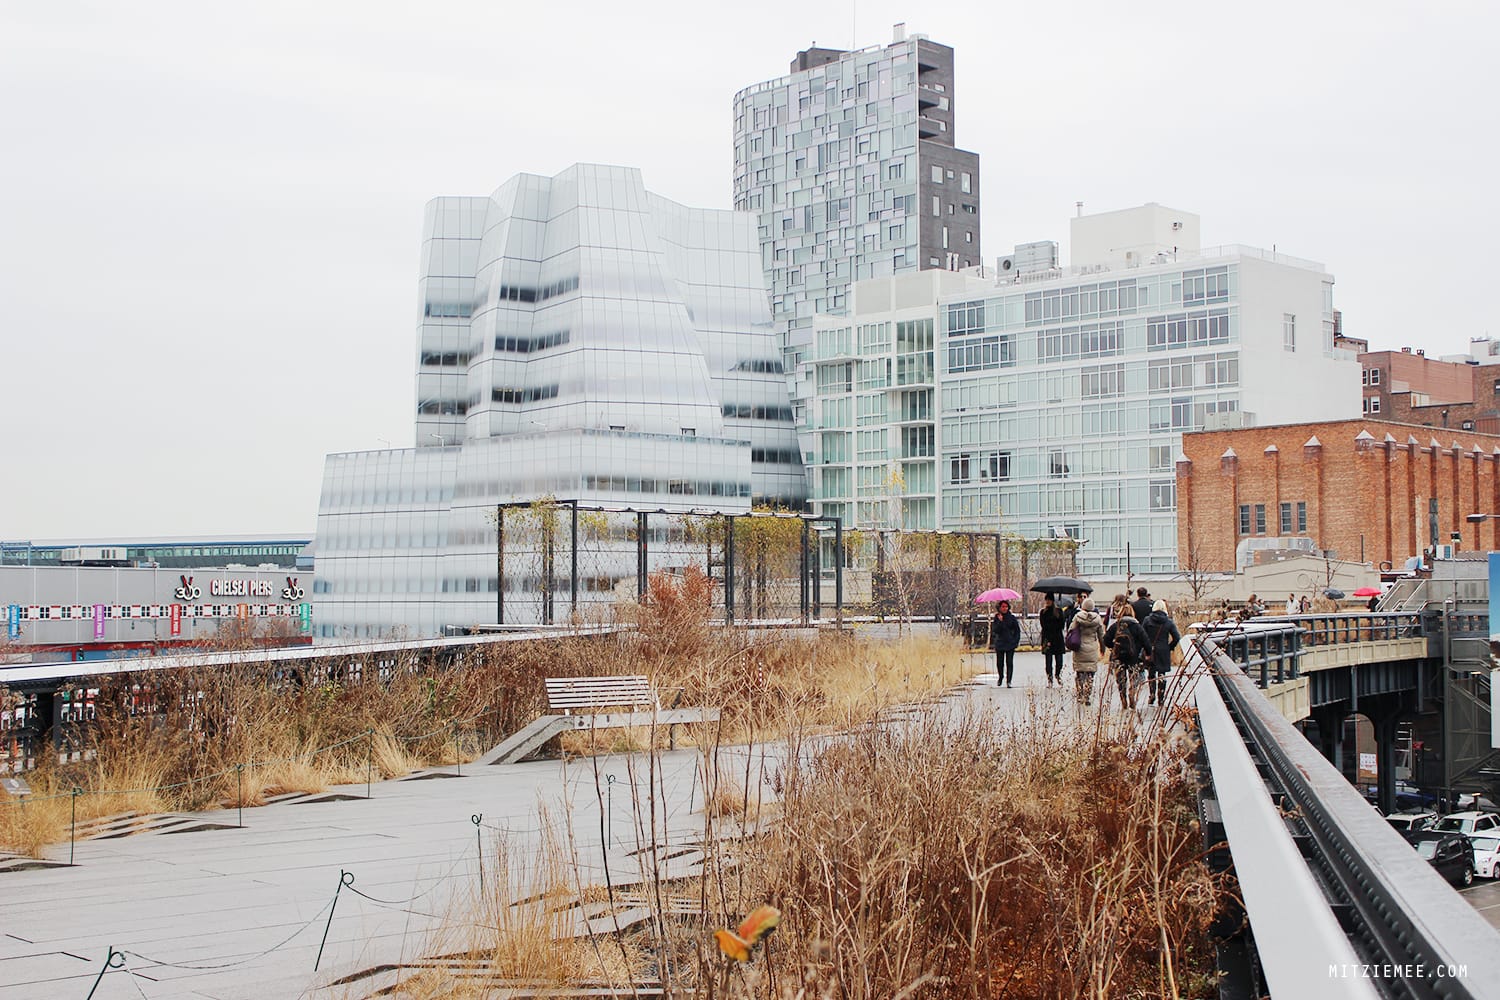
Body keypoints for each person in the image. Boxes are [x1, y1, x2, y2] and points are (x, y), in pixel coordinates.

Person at [1103, 604, 1151, 711]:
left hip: (1119, 656)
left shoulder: (1116, 626)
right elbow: (1146, 641)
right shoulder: (1137, 626)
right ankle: (1132, 692)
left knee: (1121, 679)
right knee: (1133, 677)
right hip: (1133, 656)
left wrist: (1113, 647)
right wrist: (1148, 653)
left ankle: (1123, 698)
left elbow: (1105, 639)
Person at [1141, 599, 1181, 707]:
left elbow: (1142, 635)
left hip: (1151, 649)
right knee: (1162, 674)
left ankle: (1152, 694)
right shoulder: (1168, 622)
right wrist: (1170, 647)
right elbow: (1177, 637)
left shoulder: (1147, 620)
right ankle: (1161, 697)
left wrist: (1145, 646)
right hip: (1163, 650)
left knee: (1151, 673)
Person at [1069, 596, 1107, 706]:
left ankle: (1080, 694)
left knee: (1080, 672)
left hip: (1080, 648)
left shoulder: (1077, 617)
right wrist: (1103, 649)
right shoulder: (1098, 619)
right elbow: (1101, 636)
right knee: (1090, 673)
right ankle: (1087, 695)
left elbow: (1071, 629)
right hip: (1092, 648)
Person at [1038, 593, 1067, 686]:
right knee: (1048, 660)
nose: (1047, 602)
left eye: (1049, 600)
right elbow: (1044, 625)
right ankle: (1049, 678)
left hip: (1058, 638)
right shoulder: (1043, 612)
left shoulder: (1059, 611)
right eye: (1046, 600)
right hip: (1047, 638)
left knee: (1059, 660)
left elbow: (1062, 624)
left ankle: (1058, 675)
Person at [991, 599, 1021, 687]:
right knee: (1000, 663)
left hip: (1010, 643)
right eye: (1003, 607)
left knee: (1009, 662)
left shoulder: (1011, 617)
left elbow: (1017, 630)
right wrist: (1000, 621)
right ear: (999, 608)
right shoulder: (997, 617)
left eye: (1006, 607)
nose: (1004, 608)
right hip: (1000, 643)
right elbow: (995, 630)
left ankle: (1009, 681)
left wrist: (1015, 641)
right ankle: (1001, 677)